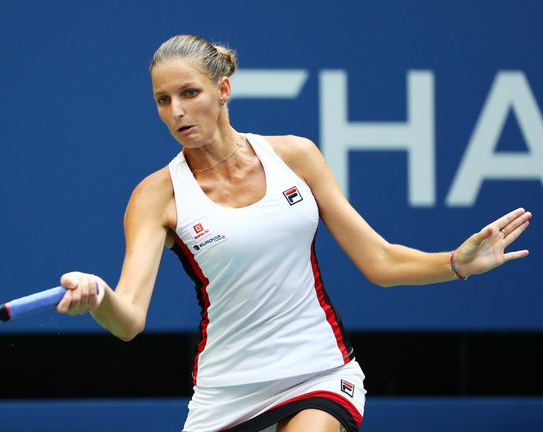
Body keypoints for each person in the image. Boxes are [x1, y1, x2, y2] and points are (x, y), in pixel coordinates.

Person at [53, 34, 533, 432]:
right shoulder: (156, 196)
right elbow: (130, 321)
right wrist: (99, 299)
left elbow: (380, 262)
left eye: (189, 93)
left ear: (223, 90)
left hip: (319, 371)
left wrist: (456, 263)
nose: (176, 111)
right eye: (163, 99)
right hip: (226, 391)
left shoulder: (295, 156)